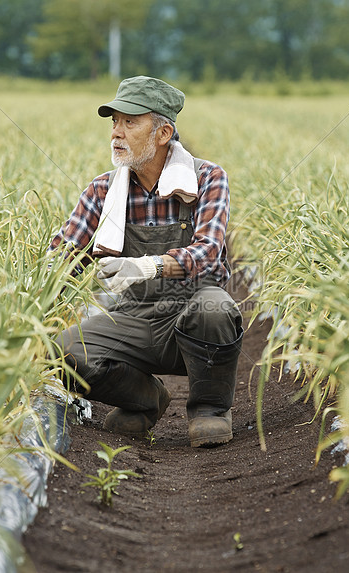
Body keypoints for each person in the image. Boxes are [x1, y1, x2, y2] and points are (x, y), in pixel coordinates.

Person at [49, 76, 243, 448]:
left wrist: (148, 265)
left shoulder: (207, 178)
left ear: (163, 132)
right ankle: (146, 399)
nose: (116, 134)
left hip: (193, 314)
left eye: (129, 122)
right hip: (134, 317)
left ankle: (209, 409)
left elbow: (208, 251)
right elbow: (62, 255)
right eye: (114, 122)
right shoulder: (102, 190)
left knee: (215, 308)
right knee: (64, 352)